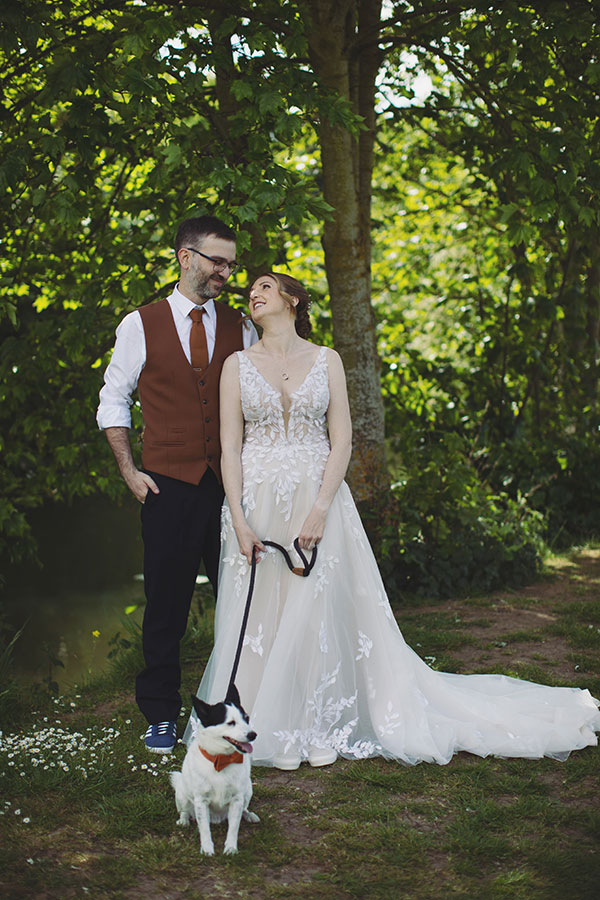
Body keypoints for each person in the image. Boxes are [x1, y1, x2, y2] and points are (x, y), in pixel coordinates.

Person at [186, 271, 600, 770]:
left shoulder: (327, 360)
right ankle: (256, 719)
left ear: (292, 300)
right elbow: (230, 447)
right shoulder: (236, 365)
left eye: (265, 287)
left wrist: (320, 509)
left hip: (320, 502)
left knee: (315, 611)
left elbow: (342, 440)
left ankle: (317, 723)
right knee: (258, 616)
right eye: (251, 289)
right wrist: (239, 517)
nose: (253, 294)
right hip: (255, 504)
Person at [97, 216, 258, 753]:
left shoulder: (242, 325)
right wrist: (129, 470)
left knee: (238, 599)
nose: (226, 272)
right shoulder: (140, 323)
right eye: (217, 261)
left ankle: (238, 704)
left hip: (230, 486)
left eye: (232, 264)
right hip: (166, 484)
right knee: (166, 601)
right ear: (186, 257)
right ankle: (161, 713)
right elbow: (113, 401)